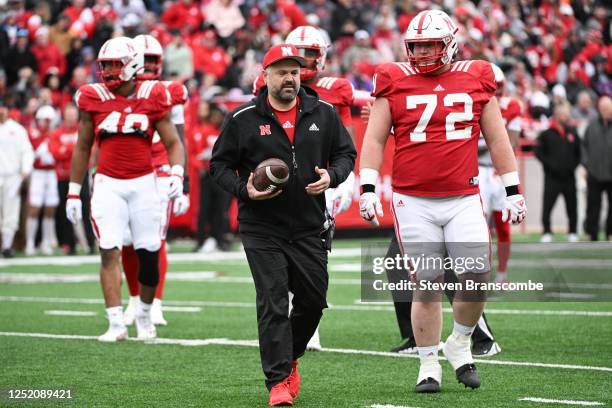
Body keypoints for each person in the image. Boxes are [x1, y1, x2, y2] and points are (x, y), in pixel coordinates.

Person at [359, 10, 526, 393]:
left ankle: (461, 342)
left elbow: (498, 139)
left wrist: (514, 189)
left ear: (449, 43)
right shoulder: (393, 78)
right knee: (427, 283)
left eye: (431, 44)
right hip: (412, 199)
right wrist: (367, 187)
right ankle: (428, 363)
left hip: (463, 195)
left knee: (476, 275)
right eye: (416, 45)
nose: (422, 52)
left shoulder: (476, 76)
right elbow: (374, 138)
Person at [210, 44, 356, 406]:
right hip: (262, 227)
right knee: (273, 301)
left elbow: (345, 153)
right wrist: (243, 189)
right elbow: (219, 166)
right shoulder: (243, 117)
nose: (289, 77)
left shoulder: (323, 111)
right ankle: (277, 381)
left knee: (314, 301)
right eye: (281, 71)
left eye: (294, 71)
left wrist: (332, 176)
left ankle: (289, 356)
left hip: (309, 224)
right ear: (265, 76)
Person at [66, 36, 185, 342]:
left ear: (132, 64)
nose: (107, 70)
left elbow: (173, 141)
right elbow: (82, 147)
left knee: (148, 252)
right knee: (108, 251)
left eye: (114, 64)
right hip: (107, 184)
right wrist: (73, 190)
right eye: (104, 64)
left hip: (144, 183)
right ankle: (115, 323)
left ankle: (145, 314)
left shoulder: (152, 94)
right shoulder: (92, 96)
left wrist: (177, 174)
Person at [253, 25, 357, 351]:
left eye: (311, 54)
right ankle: (292, 318)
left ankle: (306, 315)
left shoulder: (335, 87)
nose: (307, 60)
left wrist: (341, 177)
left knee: (316, 241)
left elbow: (344, 139)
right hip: (286, 172)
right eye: (301, 54)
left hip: (324, 172)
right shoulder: (267, 83)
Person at [121, 34, 190, 327]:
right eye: (144, 59)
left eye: (152, 60)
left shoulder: (169, 91)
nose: (148, 66)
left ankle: (155, 302)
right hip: (126, 171)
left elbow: (179, 136)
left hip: (159, 171)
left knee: (155, 239)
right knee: (126, 241)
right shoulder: (119, 91)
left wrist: (181, 180)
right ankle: (134, 300)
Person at [479, 64, 522, 283]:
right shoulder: (474, 103)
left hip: (499, 171)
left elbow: (511, 142)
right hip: (478, 170)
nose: (496, 90)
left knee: (503, 224)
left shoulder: (512, 106)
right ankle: (481, 271)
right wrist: (494, 139)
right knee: (479, 226)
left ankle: (502, 273)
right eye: (492, 85)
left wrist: (494, 140)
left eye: (499, 85)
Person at [535, 102, 581, 243]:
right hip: (552, 177)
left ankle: (572, 232)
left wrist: (572, 166)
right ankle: (547, 231)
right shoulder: (546, 134)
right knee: (547, 205)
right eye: (564, 113)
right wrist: (550, 166)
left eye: (567, 113)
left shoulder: (573, 132)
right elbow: (538, 151)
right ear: (557, 115)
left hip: (569, 177)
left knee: (572, 205)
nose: (567, 116)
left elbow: (579, 153)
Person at [48, 103, 90, 255]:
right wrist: (74, 149)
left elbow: (88, 150)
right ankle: (69, 244)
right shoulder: (56, 133)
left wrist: (67, 149)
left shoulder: (83, 129)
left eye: (73, 114)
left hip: (81, 174)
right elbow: (55, 153)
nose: (71, 118)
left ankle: (90, 243)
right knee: (65, 211)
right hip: (63, 176)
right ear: (64, 116)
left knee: (87, 209)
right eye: (69, 115)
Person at [0, 100, 34, 258]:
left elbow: (27, 150)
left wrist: (25, 169)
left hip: (12, 176)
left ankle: (7, 246)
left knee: (11, 211)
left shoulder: (17, 129)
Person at [25, 105, 59, 256]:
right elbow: (29, 154)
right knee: (34, 208)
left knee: (50, 208)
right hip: (37, 173)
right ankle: (30, 242)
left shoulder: (55, 134)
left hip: (51, 173)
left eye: (49, 120)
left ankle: (46, 241)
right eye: (44, 120)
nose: (46, 123)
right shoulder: (32, 133)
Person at [582, 96, 612, 241]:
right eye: (603, 108)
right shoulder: (591, 126)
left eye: (608, 108)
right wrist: (587, 165)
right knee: (593, 206)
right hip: (594, 173)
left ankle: (610, 233)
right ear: (599, 109)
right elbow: (584, 147)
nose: (606, 111)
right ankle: (591, 233)